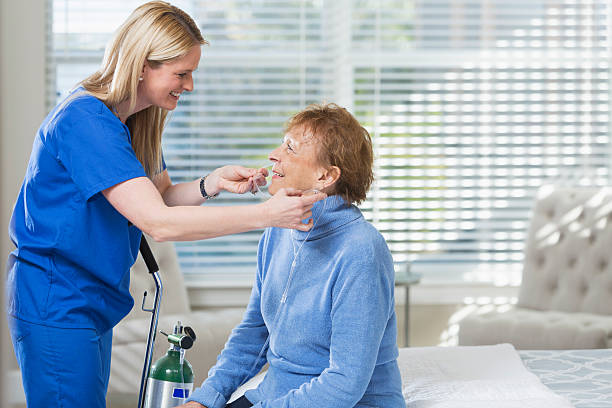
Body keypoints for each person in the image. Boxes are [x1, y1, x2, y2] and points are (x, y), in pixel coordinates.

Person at [5, 2, 324, 407]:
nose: (189, 86)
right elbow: (159, 223)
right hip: (58, 300)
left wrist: (212, 184)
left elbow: (160, 198)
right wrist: (267, 216)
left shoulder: (135, 120)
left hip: (90, 300)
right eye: (181, 74)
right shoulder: (85, 120)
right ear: (143, 66)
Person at [180, 103, 406, 408]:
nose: (274, 154)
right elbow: (254, 333)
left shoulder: (362, 251)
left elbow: (344, 385)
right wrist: (206, 399)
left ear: (326, 175)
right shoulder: (277, 231)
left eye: (290, 148)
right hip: (275, 397)